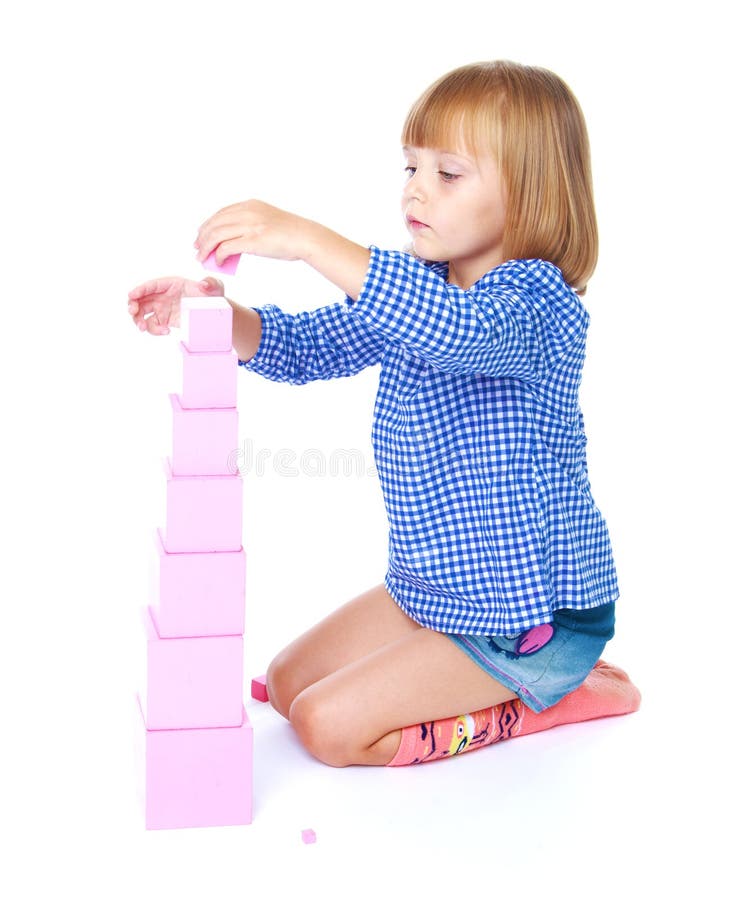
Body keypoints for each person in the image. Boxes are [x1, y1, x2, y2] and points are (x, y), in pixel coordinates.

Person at [128, 60, 640, 768]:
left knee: (327, 729)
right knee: (285, 685)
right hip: (435, 590)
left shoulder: (538, 304)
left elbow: (458, 332)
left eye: (448, 174)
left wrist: (309, 239)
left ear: (528, 192)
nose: (415, 191)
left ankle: (544, 700)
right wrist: (218, 313)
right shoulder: (417, 285)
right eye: (410, 168)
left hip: (528, 620)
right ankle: (471, 674)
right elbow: (307, 346)